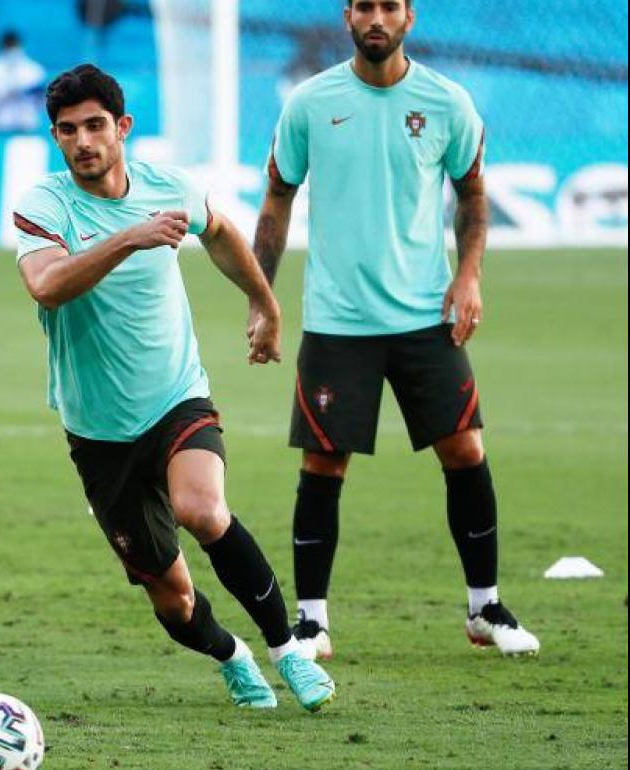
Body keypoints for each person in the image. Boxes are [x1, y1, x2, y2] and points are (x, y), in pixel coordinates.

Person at [13, 64, 335, 712]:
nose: (84, 142)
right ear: (55, 137)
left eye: (96, 125)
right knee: (173, 596)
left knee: (203, 510)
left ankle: (286, 650)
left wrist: (264, 305)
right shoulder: (43, 206)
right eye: (68, 130)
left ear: (123, 127)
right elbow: (47, 285)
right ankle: (231, 655)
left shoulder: (169, 187)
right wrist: (129, 237)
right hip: (98, 429)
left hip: (175, 397)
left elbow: (216, 233)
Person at [251, 0, 540, 660]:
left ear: (410, 17)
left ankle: (484, 608)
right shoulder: (308, 103)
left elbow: (471, 196)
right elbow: (277, 197)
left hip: (422, 317)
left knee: (465, 451)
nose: (375, 17)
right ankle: (312, 622)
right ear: (346, 17)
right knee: (323, 462)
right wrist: (262, 299)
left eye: (388, 6)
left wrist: (468, 276)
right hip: (337, 319)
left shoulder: (449, 103)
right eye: (363, 6)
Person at [0, 30, 45, 132]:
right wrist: (5, 95)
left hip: (26, 128)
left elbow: (40, 102)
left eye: (14, 45)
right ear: (2, 46)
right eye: (9, 46)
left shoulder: (34, 70)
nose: (12, 50)